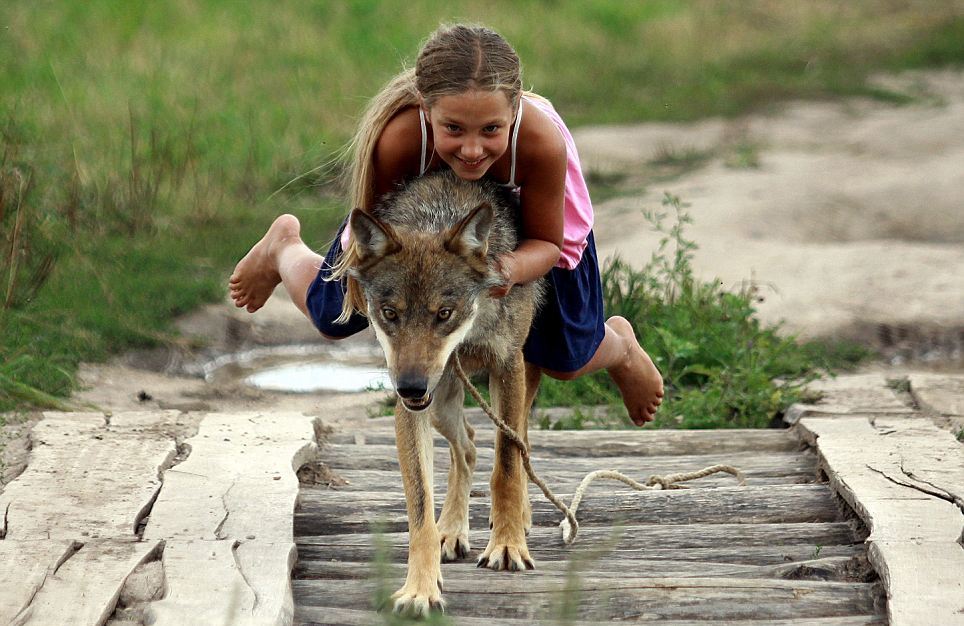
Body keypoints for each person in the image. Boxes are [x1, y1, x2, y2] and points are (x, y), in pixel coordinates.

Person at [229, 24, 664, 424]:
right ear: (425, 108)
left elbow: (548, 243)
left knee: (565, 357)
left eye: (490, 129)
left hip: (535, 228)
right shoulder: (400, 138)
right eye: (453, 128)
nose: (472, 149)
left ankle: (621, 347)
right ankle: (283, 247)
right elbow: (379, 229)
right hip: (424, 224)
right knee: (332, 318)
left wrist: (507, 268)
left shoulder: (540, 142)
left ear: (515, 108)